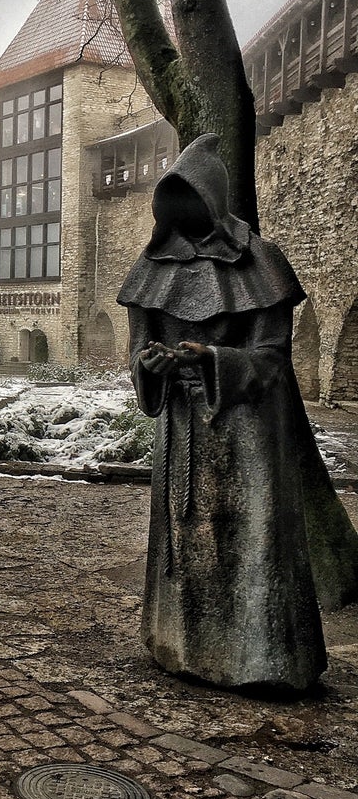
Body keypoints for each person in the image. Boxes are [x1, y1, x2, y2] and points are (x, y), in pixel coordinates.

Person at [117, 133, 326, 692]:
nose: (184, 210)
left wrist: (214, 360)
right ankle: (182, 645)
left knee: (249, 541)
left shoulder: (260, 261)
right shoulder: (150, 266)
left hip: (247, 433)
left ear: (211, 196)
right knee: (187, 539)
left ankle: (256, 659)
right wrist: (152, 366)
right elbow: (138, 352)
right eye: (174, 199)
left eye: (192, 197)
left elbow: (273, 358)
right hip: (181, 426)